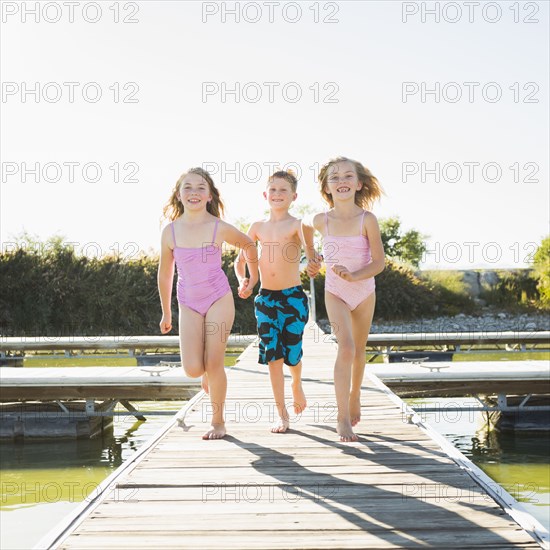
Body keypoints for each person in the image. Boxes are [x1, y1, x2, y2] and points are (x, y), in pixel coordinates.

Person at [158, 167, 258, 440]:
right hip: (188, 302)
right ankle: (206, 375)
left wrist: (252, 276)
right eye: (187, 187)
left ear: (210, 196)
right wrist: (167, 311)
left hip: (218, 298)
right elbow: (166, 274)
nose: (194, 192)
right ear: (178, 195)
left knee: (214, 363)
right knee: (193, 368)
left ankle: (218, 422)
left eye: (200, 188)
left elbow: (249, 245)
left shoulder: (218, 227)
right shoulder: (170, 232)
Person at [305, 157, 385, 442]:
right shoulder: (320, 220)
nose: (341, 182)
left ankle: (355, 395)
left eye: (347, 176)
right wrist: (312, 258)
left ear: (359, 184)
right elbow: (305, 230)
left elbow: (379, 263)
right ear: (326, 188)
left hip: (364, 290)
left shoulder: (367, 220)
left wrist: (355, 276)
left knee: (360, 349)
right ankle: (342, 417)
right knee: (346, 348)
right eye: (334, 178)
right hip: (335, 291)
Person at [235, 170, 312, 433]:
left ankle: (297, 382)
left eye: (283, 190)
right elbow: (240, 261)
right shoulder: (257, 227)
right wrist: (244, 280)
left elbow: (311, 251)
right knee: (273, 357)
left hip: (293, 298)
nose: (277, 194)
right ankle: (282, 414)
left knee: (292, 354)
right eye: (273, 190)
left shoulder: (297, 225)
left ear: (294, 196)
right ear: (265, 194)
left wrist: (315, 260)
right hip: (266, 299)